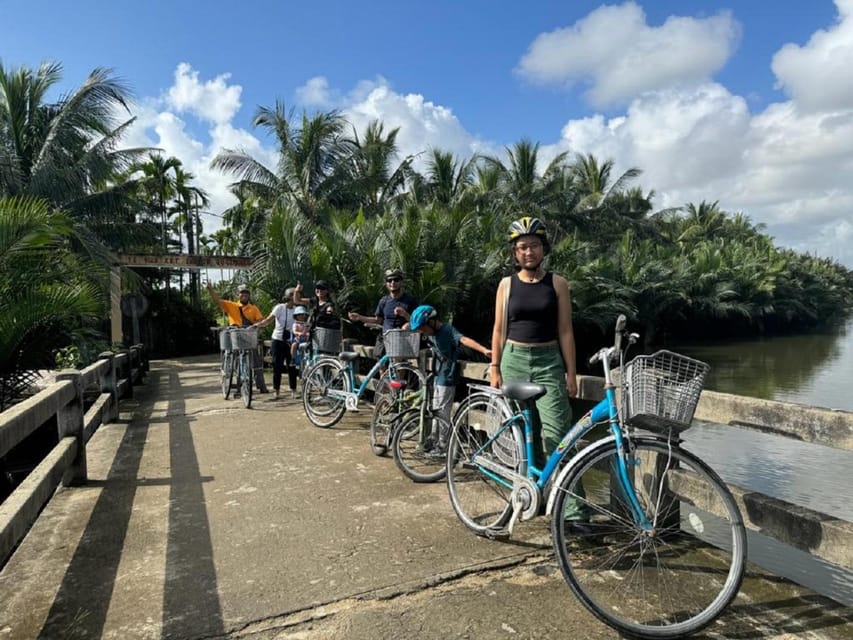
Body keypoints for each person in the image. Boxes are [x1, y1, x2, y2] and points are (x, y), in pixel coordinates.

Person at [488, 217, 587, 529]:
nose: (528, 251)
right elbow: (499, 328)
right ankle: (537, 496)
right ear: (514, 253)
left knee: (560, 435)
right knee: (523, 436)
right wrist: (494, 366)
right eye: (521, 247)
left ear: (544, 248)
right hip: (514, 360)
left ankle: (574, 512)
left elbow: (566, 331)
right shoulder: (506, 285)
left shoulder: (557, 284)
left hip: (548, 362)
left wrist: (571, 373)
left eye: (533, 245)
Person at [409, 304, 492, 453]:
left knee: (443, 412)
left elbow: (464, 340)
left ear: (432, 322)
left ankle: (443, 445)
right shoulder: (431, 333)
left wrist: (484, 350)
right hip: (437, 375)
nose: (422, 331)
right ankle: (433, 441)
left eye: (423, 327)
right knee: (435, 409)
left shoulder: (447, 330)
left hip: (447, 376)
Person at [207, 282, 269, 393]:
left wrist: (258, 326)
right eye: (242, 293)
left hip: (248, 335)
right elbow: (217, 301)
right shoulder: (232, 306)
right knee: (235, 358)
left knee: (255, 358)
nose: (244, 295)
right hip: (236, 335)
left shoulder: (253, 308)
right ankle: (240, 386)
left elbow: (260, 320)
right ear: (238, 295)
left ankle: (261, 385)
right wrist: (211, 289)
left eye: (246, 293)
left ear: (249, 295)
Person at [348, 268, 419, 358]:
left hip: (402, 339)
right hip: (385, 337)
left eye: (396, 280)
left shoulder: (410, 301)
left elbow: (416, 322)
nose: (392, 282)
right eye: (389, 280)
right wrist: (359, 317)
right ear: (386, 284)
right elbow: (378, 320)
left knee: (399, 365)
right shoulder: (384, 301)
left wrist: (405, 314)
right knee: (381, 364)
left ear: (401, 282)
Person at [253, 287, 298, 399]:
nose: (295, 297)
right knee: (277, 366)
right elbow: (269, 320)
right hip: (278, 340)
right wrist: (258, 325)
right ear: (288, 297)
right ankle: (276, 391)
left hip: (290, 341)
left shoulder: (297, 309)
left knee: (291, 366)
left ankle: (293, 390)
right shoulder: (280, 308)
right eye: (293, 295)